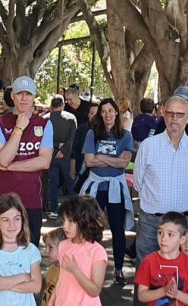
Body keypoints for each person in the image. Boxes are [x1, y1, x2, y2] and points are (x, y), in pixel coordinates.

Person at [135, 95, 188, 262]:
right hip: (152, 223)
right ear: (163, 114)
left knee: (183, 278)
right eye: (170, 113)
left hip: (186, 223)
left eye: (180, 114)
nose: (174, 118)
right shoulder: (148, 146)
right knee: (146, 275)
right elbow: (138, 183)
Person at [0, 75, 53, 244]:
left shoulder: (45, 124)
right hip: (3, 200)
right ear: (12, 96)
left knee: (29, 254)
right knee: (1, 253)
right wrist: (18, 129)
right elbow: (3, 158)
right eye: (19, 94)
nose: (24, 98)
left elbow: (44, 162)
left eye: (28, 94)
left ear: (34, 96)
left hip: (32, 200)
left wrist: (9, 167)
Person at [78, 98, 134, 285]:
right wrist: (112, 159)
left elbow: (124, 163)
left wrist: (101, 157)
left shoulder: (125, 135)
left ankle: (118, 270)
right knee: (89, 226)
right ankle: (87, 266)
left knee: (118, 229)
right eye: (104, 111)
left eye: (111, 110)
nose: (107, 114)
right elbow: (89, 161)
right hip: (96, 186)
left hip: (116, 187)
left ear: (117, 112)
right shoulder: (92, 134)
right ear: (100, 114)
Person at [0, 193, 42, 306]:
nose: (12, 225)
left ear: (22, 219)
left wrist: (4, 282)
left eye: (16, 219)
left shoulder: (31, 250)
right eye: (6, 220)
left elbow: (36, 286)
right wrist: (24, 277)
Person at [135, 211, 188, 306]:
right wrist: (164, 291)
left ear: (182, 240)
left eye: (170, 234)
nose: (163, 238)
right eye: (160, 233)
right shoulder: (148, 261)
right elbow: (141, 296)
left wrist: (176, 294)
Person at [52, 196, 107, 306]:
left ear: (84, 221)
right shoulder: (62, 246)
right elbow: (61, 280)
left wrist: (75, 271)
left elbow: (95, 290)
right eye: (64, 220)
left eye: (71, 221)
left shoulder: (97, 252)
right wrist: (51, 301)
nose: (65, 226)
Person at [45, 96, 77, 215]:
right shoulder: (71, 118)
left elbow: (45, 138)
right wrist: (63, 149)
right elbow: (72, 137)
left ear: (52, 106)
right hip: (66, 155)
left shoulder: (45, 119)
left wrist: (57, 146)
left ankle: (53, 208)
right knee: (69, 181)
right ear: (63, 105)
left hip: (50, 154)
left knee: (52, 182)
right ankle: (73, 209)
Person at [62, 88, 92, 184]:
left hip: (85, 139)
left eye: (71, 99)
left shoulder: (88, 106)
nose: (69, 102)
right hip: (70, 139)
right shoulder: (65, 108)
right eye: (67, 99)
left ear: (77, 96)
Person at [41, 228, 65, 306]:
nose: (46, 251)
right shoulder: (51, 269)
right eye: (46, 246)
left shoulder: (68, 275)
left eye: (50, 247)